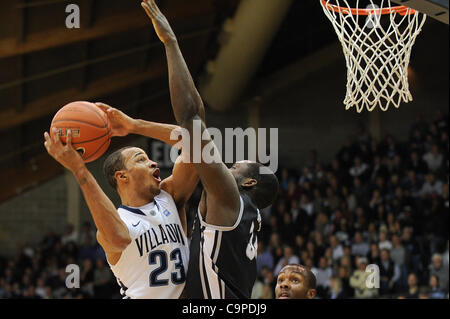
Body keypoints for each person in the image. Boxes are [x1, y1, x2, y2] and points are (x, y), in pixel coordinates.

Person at [140, 0, 279, 299]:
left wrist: (170, 42)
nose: (226, 168)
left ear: (249, 181)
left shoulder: (230, 197)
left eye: (234, 167)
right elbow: (195, 127)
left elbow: (190, 121)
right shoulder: (244, 215)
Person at [44, 84, 198, 298]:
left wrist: (135, 126)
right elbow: (118, 239)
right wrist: (80, 170)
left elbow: (197, 143)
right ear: (122, 176)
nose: (153, 163)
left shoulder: (169, 197)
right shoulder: (118, 223)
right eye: (141, 159)